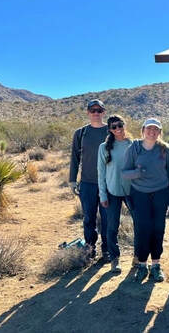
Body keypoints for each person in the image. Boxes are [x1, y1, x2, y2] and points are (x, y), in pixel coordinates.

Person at [122, 118, 169, 283]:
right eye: (149, 129)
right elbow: (124, 172)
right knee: (142, 230)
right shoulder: (134, 148)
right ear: (143, 130)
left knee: (158, 229)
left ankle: (156, 265)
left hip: (161, 193)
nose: (152, 132)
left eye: (156, 129)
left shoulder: (164, 150)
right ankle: (142, 265)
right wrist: (138, 173)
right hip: (140, 194)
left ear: (159, 132)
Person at [69, 99, 109, 260]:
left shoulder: (110, 131)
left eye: (99, 110)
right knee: (88, 219)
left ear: (103, 112)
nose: (96, 113)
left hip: (107, 184)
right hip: (87, 183)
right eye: (93, 110)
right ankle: (90, 248)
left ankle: (107, 250)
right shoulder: (81, 133)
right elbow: (75, 157)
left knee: (107, 219)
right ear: (88, 112)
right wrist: (72, 180)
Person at [98, 115, 133, 274]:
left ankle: (139, 258)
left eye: (120, 125)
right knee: (112, 227)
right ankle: (114, 259)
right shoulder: (104, 147)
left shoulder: (132, 144)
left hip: (132, 191)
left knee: (140, 224)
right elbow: (101, 173)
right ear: (110, 130)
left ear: (124, 125)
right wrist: (103, 195)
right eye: (114, 127)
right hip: (112, 192)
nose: (118, 129)